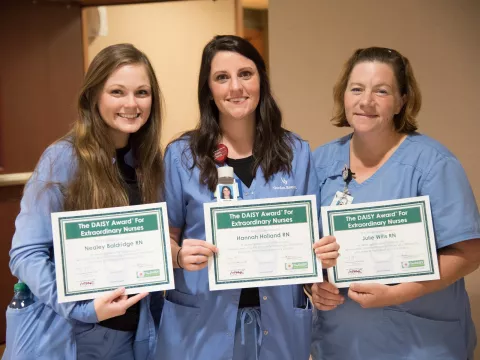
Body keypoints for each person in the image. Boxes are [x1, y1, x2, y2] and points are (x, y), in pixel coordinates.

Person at [157, 35, 339, 360]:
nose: (235, 87)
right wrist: (179, 254)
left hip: (279, 321)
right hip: (201, 324)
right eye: (221, 78)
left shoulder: (296, 153)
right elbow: (164, 237)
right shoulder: (181, 156)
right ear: (208, 90)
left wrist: (320, 269)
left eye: (246, 74)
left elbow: (311, 241)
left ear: (261, 81)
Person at [311, 47, 480, 360]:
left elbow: (469, 252)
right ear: (343, 95)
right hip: (340, 345)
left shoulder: (432, 163)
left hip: (421, 344)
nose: (366, 101)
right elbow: (305, 248)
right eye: (356, 89)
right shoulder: (319, 162)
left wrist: (399, 293)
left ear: (403, 100)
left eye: (382, 91)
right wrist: (315, 285)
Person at [5, 43, 164, 360]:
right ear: (94, 97)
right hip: (67, 335)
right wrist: (81, 308)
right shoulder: (62, 158)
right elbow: (25, 253)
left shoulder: (149, 162)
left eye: (141, 93)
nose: (131, 104)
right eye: (117, 92)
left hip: (131, 336)